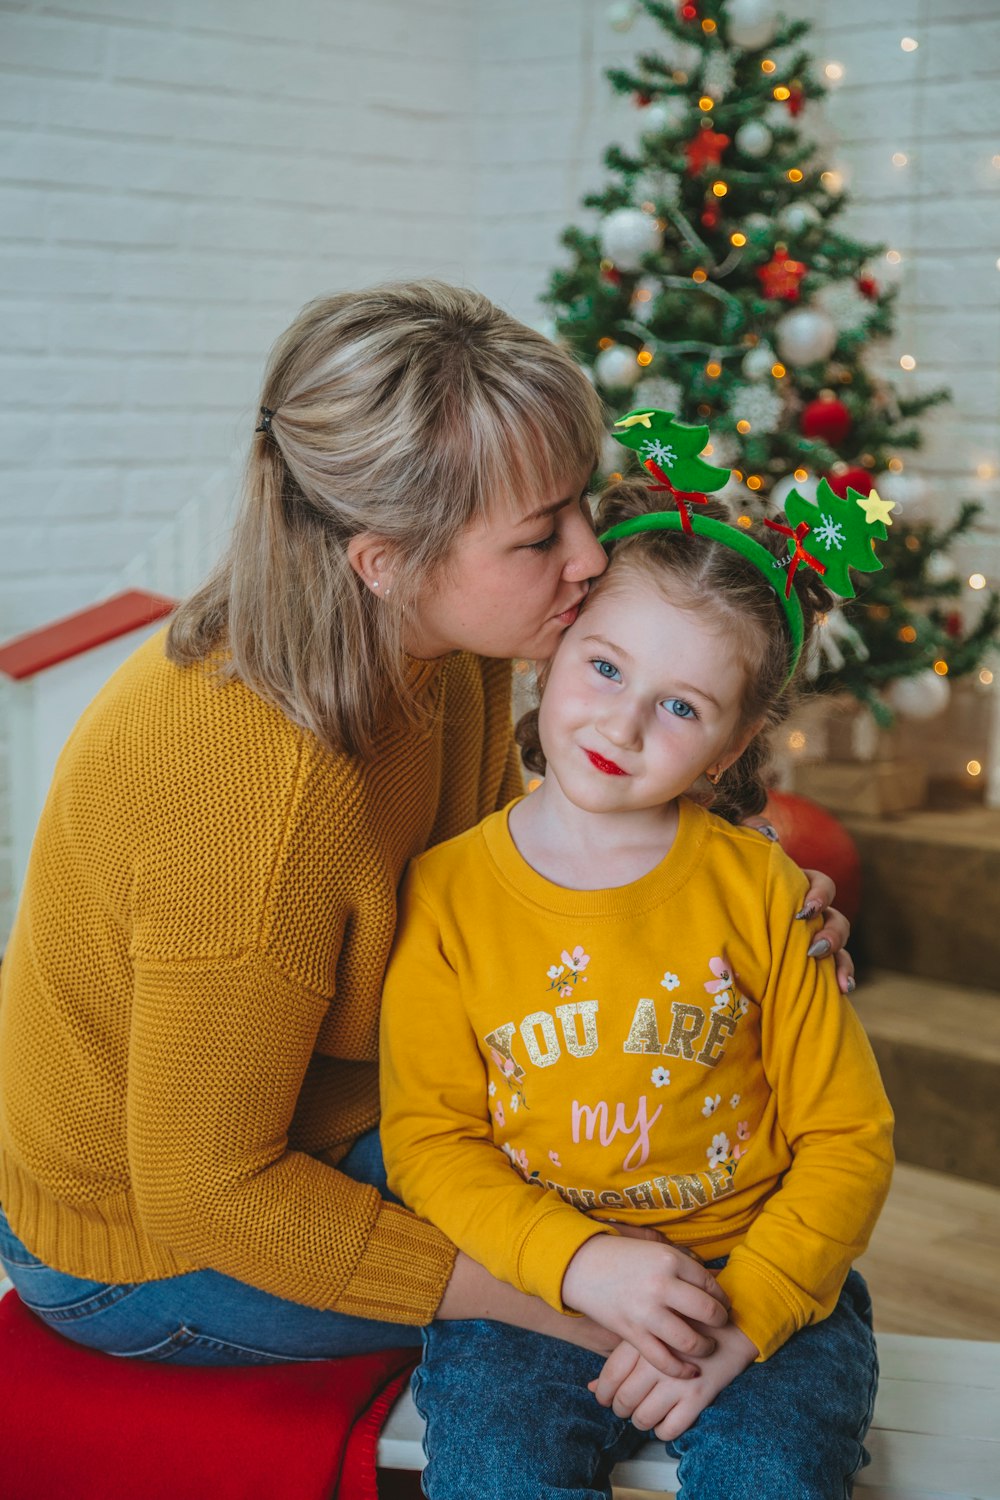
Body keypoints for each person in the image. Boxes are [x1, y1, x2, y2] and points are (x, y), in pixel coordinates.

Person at [0, 282, 851, 1370]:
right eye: (540, 536)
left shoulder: (447, 649)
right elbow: (204, 1190)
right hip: (143, 1250)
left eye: (580, 506)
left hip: (359, 1112)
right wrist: (550, 1294)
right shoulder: (256, 797)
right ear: (383, 560)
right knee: (665, 1292)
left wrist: (736, 912)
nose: (590, 557)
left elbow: (524, 880)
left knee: (710, 1177)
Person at [379, 466, 894, 1499]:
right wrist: (573, 1263)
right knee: (494, 1478)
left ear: (736, 743)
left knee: (775, 1475)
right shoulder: (444, 894)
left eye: (680, 705)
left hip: (751, 1288)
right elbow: (432, 1143)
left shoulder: (759, 892)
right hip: (532, 1297)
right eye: (604, 669)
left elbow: (848, 1139)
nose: (620, 727)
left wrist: (746, 1312)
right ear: (550, 652)